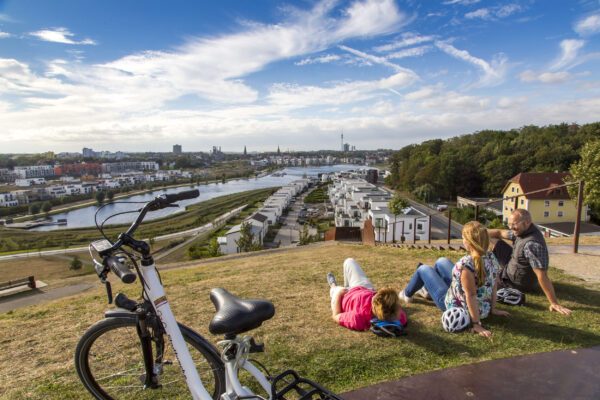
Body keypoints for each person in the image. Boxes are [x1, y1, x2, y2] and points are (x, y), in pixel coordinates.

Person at [399, 221, 509, 337]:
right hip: (482, 306)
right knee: (441, 261)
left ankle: (406, 294)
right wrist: (493, 309)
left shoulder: (466, 264)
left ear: (468, 242)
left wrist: (476, 323)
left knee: (423, 269)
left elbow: (470, 295)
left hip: (456, 306)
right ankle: (427, 290)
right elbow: (494, 285)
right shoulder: (491, 257)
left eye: (463, 238)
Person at [488, 209, 572, 315]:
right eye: (509, 224)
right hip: (514, 265)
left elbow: (542, 275)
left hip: (515, 281)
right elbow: (500, 233)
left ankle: (487, 270)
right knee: (492, 240)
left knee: (484, 281)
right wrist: (476, 232)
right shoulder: (523, 230)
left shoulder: (532, 244)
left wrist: (554, 303)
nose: (511, 227)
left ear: (527, 222)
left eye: (514, 224)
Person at [327, 258, 407, 331]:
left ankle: (333, 284)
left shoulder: (358, 318)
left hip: (344, 296)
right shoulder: (400, 317)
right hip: (364, 288)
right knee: (349, 261)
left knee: (335, 290)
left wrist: (339, 294)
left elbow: (336, 316)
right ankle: (346, 285)